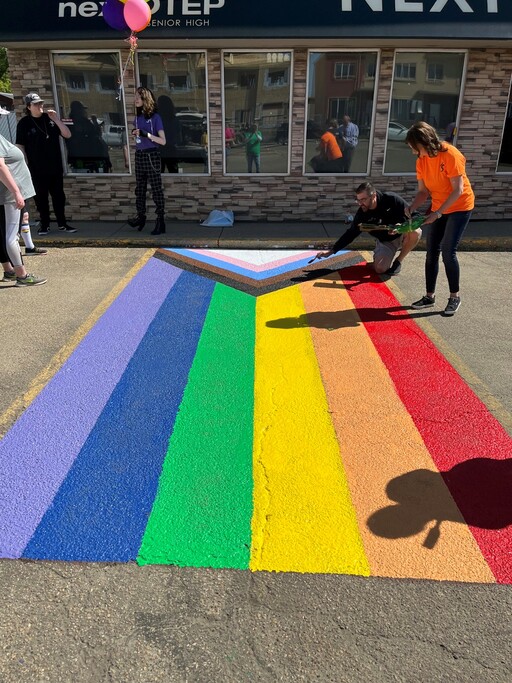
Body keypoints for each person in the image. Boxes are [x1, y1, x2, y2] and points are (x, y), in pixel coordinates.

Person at [405, 121, 474, 316]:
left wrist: (437, 214)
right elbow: (423, 192)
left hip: (460, 207)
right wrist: (411, 207)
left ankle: (454, 297)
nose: (413, 152)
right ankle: (429, 296)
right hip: (438, 207)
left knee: (448, 251)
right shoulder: (422, 161)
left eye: (414, 147)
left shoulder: (451, 154)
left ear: (424, 143)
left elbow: (457, 190)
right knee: (431, 251)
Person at [317, 182, 422, 275]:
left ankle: (398, 261)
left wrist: (403, 227)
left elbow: (417, 217)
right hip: (386, 241)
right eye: (358, 200)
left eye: (363, 199)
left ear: (374, 196)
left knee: (416, 231)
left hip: (403, 234)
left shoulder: (392, 199)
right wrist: (332, 251)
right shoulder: (362, 213)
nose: (360, 203)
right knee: (380, 269)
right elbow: (351, 233)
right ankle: (378, 260)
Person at [16, 92, 77, 235]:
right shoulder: (24, 123)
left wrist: (56, 119)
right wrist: (25, 164)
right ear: (29, 106)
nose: (40, 106)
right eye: (36, 104)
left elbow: (67, 134)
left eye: (41, 103)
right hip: (36, 168)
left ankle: (62, 223)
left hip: (55, 167)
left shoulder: (49, 119)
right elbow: (20, 146)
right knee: (41, 198)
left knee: (58, 196)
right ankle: (44, 224)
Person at [0, 125, 47, 286]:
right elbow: (0, 166)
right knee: (11, 236)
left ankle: (10, 271)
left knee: (5, 234)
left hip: (7, 195)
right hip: (8, 196)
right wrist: (16, 192)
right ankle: (22, 275)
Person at [128, 87, 166, 236]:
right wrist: (135, 134)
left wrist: (147, 134)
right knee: (140, 189)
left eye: (139, 97)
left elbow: (162, 141)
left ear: (146, 100)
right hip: (140, 155)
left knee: (156, 189)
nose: (136, 99)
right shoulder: (137, 118)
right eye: (135, 96)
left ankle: (160, 221)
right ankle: (141, 216)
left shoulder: (155, 117)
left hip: (152, 156)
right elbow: (138, 139)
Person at [66, 100, 111, 174]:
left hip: (86, 157)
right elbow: (96, 133)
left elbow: (96, 134)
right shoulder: (76, 122)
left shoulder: (78, 122)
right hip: (84, 156)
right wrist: (95, 122)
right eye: (82, 109)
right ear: (78, 110)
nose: (84, 111)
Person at [157, 95, 182, 174]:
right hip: (171, 149)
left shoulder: (157, 119)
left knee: (158, 173)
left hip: (159, 149)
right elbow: (179, 138)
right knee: (174, 172)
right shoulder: (175, 120)